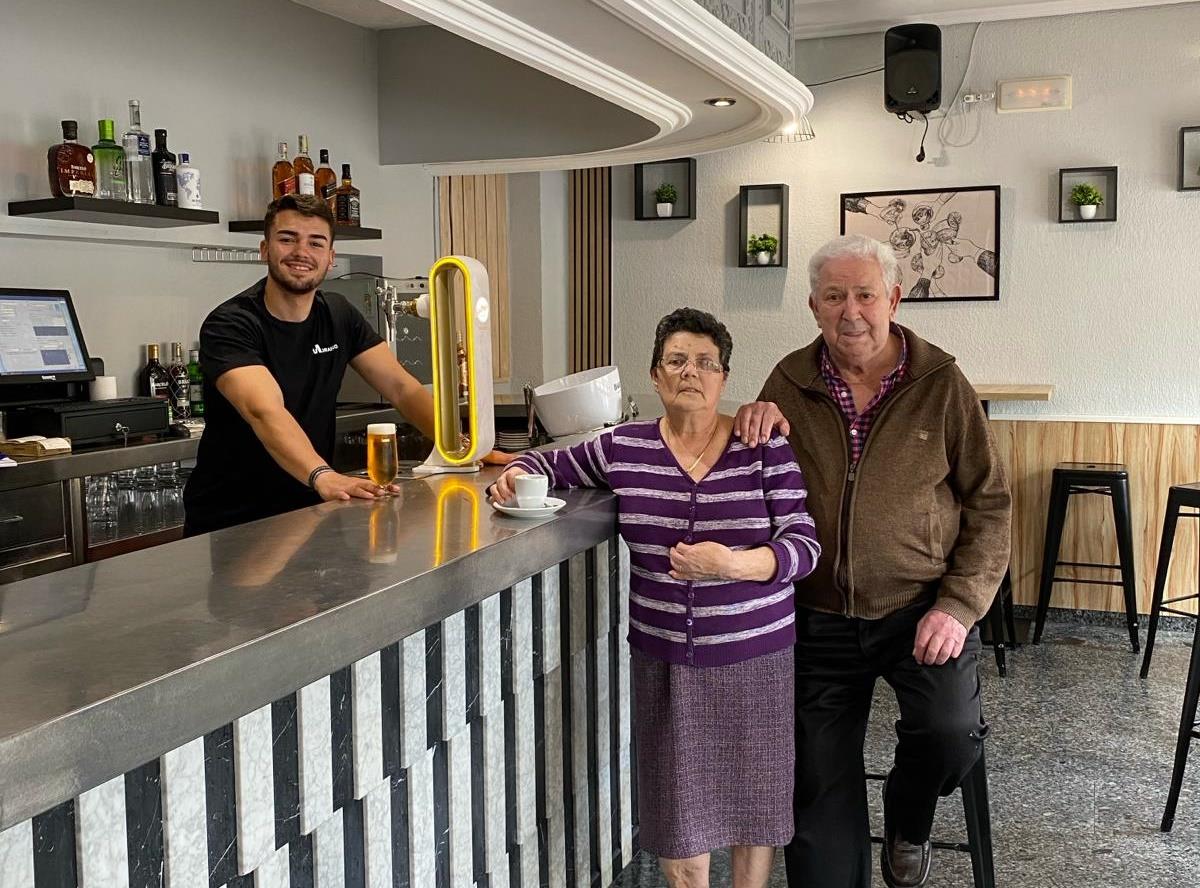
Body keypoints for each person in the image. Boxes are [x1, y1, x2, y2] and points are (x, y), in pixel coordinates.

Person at [490, 308, 821, 888]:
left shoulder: (761, 447)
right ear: (654, 374)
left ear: (723, 378)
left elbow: (804, 545)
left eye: (704, 363)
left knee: (755, 811)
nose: (689, 372)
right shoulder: (624, 448)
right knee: (677, 821)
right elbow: (542, 459)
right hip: (667, 661)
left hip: (757, 658)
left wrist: (731, 564)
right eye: (675, 361)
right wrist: (513, 472)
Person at [734, 234, 1011, 888]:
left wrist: (958, 606)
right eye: (834, 296)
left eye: (864, 294)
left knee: (948, 733)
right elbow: (755, 488)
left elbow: (991, 504)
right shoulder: (789, 381)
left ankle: (908, 818)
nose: (849, 310)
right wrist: (745, 428)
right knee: (816, 800)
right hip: (818, 618)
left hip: (919, 611)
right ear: (813, 305)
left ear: (893, 298)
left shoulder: (942, 385)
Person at [183, 193, 509, 536]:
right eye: (287, 239)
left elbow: (401, 386)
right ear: (265, 250)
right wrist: (322, 475)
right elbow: (265, 411)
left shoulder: (338, 314)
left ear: (330, 258)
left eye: (315, 243)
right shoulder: (231, 324)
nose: (301, 252)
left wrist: (458, 446)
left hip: (308, 508)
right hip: (234, 517)